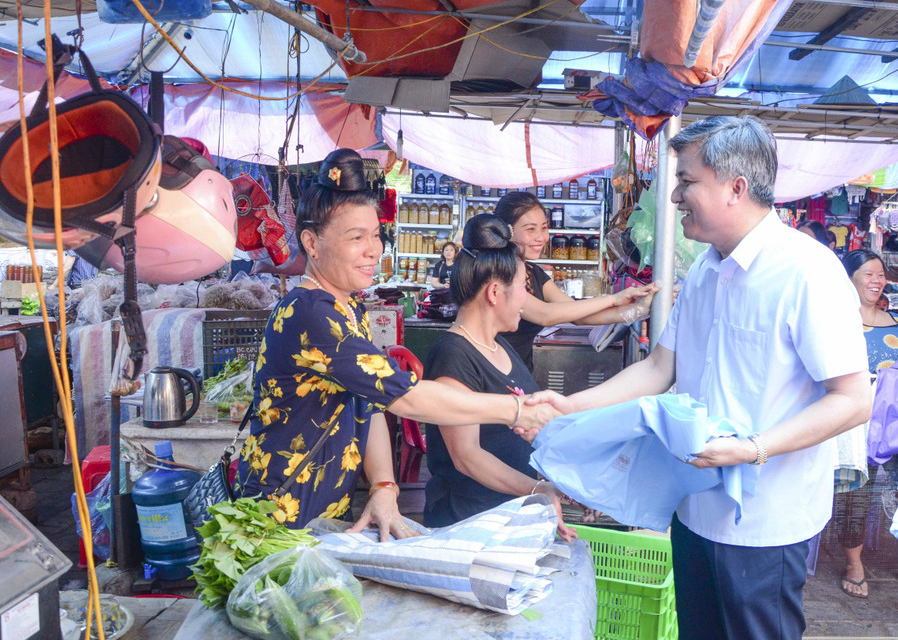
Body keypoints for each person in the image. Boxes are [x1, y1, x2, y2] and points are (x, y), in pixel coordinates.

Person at [524, 116, 871, 640]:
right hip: (693, 507)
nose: (677, 196)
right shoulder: (706, 272)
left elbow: (853, 400)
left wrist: (754, 447)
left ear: (735, 187)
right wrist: (570, 405)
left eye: (687, 181)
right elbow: (661, 368)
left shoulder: (806, 272)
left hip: (764, 520)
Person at [234, 149, 559, 539]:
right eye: (356, 237)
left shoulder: (348, 307)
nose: (374, 249)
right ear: (312, 243)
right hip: (277, 520)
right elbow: (409, 398)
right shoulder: (311, 313)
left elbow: (371, 401)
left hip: (325, 517)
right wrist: (516, 409)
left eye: (375, 235)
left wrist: (384, 486)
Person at [422, 214, 572, 541]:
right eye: (522, 288)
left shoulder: (498, 343)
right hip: (469, 525)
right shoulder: (454, 356)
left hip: (509, 517)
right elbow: (467, 457)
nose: (525, 300)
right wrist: (536, 489)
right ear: (494, 292)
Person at [493, 191, 658, 370]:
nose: (541, 237)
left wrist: (638, 309)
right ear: (505, 231)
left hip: (519, 374)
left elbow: (578, 316)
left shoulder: (533, 272)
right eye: (530, 229)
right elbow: (545, 315)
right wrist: (614, 299)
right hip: (489, 375)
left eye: (544, 228)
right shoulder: (496, 273)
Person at [832, 250, 898, 599]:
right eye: (868, 274)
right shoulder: (836, 323)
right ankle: (854, 562)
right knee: (858, 489)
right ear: (849, 279)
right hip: (856, 421)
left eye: (881, 274)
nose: (877, 280)